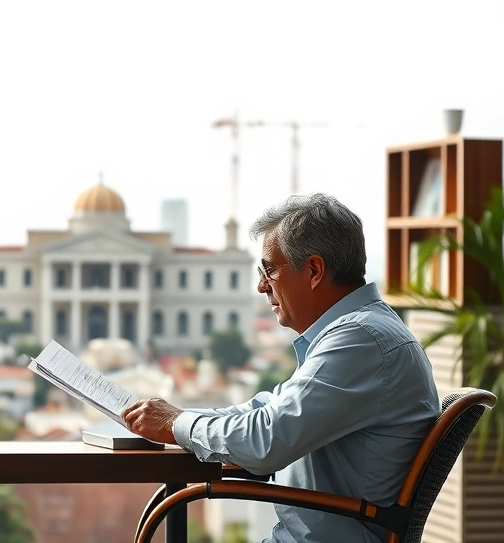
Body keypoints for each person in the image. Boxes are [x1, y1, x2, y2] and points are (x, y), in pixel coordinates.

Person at [123, 193, 440, 543]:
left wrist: (176, 423)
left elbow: (265, 441)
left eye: (269, 270)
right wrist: (179, 417)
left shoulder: (361, 340)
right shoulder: (360, 332)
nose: (261, 286)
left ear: (314, 271)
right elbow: (267, 410)